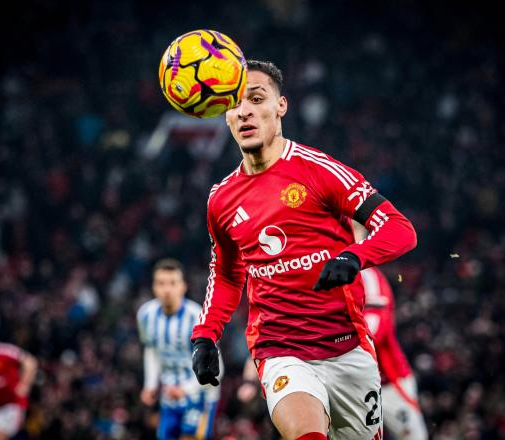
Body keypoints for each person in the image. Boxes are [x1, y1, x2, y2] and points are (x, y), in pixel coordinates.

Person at [190, 59, 417, 440]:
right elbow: (228, 274)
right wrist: (205, 334)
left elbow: (400, 228)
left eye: (256, 98)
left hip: (348, 351)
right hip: (280, 352)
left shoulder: (320, 170)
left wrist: (354, 257)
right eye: (233, 104)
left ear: (281, 106)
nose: (244, 110)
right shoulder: (221, 199)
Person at [137, 258, 221, 440]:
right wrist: (150, 384)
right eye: (161, 283)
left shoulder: (197, 316)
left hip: (199, 395)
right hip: (169, 396)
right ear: (154, 287)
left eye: (173, 283)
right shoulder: (145, 315)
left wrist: (186, 389)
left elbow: (216, 367)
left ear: (183, 286)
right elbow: (151, 349)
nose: (167, 289)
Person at [362, 266, 428, 439]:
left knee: (413, 437)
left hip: (388, 381)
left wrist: (338, 341)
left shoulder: (367, 275)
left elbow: (377, 328)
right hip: (352, 381)